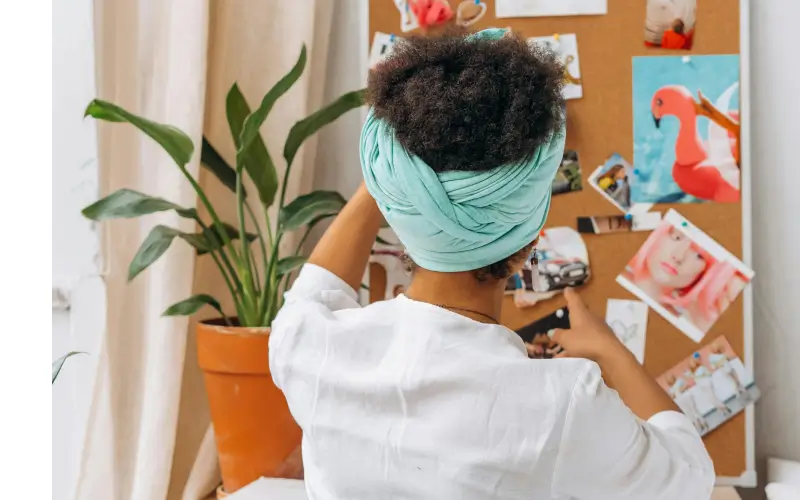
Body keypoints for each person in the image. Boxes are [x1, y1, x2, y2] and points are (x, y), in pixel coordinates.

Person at [270, 28, 714, 499]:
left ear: (394, 201)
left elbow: (315, 290)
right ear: (529, 238)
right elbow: (689, 476)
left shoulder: (310, 350)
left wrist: (399, 178)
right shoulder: (562, 408)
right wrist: (611, 352)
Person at [623, 222, 741, 333]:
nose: (678, 256)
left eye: (699, 256)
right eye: (677, 237)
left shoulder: (688, 325)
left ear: (706, 274)